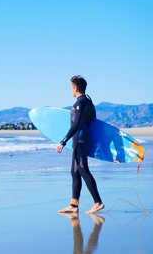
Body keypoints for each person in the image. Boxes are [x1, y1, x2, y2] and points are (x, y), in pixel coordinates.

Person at [56, 75, 104, 214]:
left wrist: (63, 141)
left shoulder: (79, 103)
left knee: (83, 170)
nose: (71, 89)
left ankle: (98, 202)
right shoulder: (89, 102)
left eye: (71, 87)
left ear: (75, 88)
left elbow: (76, 124)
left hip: (80, 140)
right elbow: (93, 122)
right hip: (84, 139)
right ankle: (73, 205)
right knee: (75, 171)